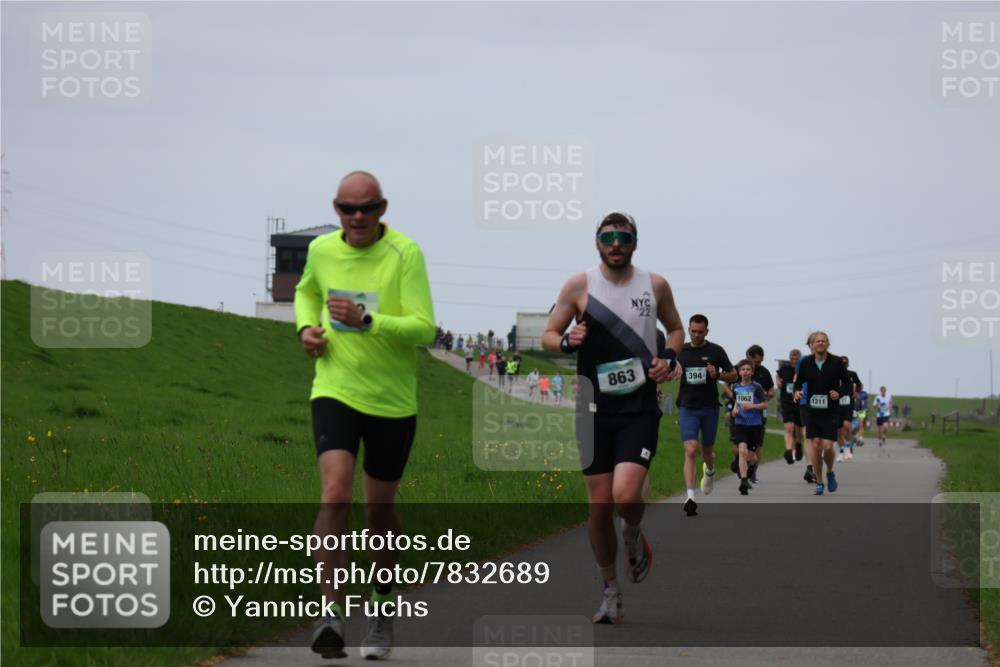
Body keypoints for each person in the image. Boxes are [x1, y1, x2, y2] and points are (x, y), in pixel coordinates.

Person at [295, 171, 435, 660]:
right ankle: (330, 614)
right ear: (336, 209)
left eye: (367, 208)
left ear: (383, 208)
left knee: (378, 512)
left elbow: (423, 328)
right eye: (347, 209)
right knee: (335, 493)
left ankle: (380, 608)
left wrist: (368, 321)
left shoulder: (405, 254)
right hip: (334, 387)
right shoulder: (322, 250)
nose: (357, 218)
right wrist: (306, 328)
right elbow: (307, 291)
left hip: (392, 401)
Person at [542, 212, 683, 625]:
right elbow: (549, 335)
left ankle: (633, 534)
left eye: (624, 237)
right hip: (591, 409)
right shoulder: (578, 286)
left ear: (635, 243)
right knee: (600, 507)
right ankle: (610, 590)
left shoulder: (654, 285)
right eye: (609, 237)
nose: (616, 243)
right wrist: (568, 340)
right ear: (597, 242)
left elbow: (674, 328)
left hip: (638, 406)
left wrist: (669, 358)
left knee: (625, 496)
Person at [675, 314, 736, 516]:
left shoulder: (715, 351)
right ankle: (690, 495)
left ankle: (709, 470)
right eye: (693, 331)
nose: (696, 335)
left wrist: (717, 375)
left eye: (700, 332)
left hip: (709, 407)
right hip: (687, 407)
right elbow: (665, 371)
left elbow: (733, 374)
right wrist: (670, 373)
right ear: (689, 329)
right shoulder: (680, 351)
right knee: (691, 449)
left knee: (706, 452)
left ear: (706, 332)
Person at [793, 331, 850, 495]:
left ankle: (830, 472)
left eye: (823, 341)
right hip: (812, 411)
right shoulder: (806, 363)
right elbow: (798, 383)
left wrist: (838, 392)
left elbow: (848, 384)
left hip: (830, 411)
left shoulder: (836, 362)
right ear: (812, 345)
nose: (820, 343)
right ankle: (819, 481)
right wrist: (796, 392)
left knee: (828, 446)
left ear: (828, 344)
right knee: (816, 445)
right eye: (817, 341)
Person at [730, 360, 769, 495]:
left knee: (752, 457)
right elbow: (737, 402)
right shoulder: (735, 387)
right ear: (739, 372)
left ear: (752, 372)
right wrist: (734, 410)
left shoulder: (756, 387)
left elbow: (765, 405)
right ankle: (744, 480)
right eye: (743, 369)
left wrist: (752, 406)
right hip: (740, 424)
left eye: (748, 369)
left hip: (755, 424)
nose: (745, 372)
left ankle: (752, 467)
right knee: (742, 451)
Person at [744, 345, 774, 484]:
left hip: (759, 414)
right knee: (738, 446)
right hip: (741, 415)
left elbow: (771, 390)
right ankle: (741, 464)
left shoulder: (765, 372)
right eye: (756, 362)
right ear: (748, 357)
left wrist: (767, 396)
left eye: (760, 362)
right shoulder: (739, 369)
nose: (758, 365)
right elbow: (728, 385)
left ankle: (753, 470)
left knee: (757, 445)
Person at [775, 349, 805, 464]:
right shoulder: (784, 369)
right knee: (789, 428)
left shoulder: (803, 370)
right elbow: (778, 376)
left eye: (796, 359)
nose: (794, 361)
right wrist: (778, 381)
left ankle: (798, 445)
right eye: (792, 359)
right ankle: (788, 451)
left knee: (799, 429)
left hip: (799, 402)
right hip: (786, 402)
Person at [836, 356, 863, 462]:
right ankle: (841, 451)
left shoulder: (852, 374)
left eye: (845, 363)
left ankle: (847, 447)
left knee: (847, 426)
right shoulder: (834, 374)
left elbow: (859, 384)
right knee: (839, 430)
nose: (843, 365)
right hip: (837, 404)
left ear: (848, 364)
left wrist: (857, 392)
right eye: (841, 363)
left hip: (848, 403)